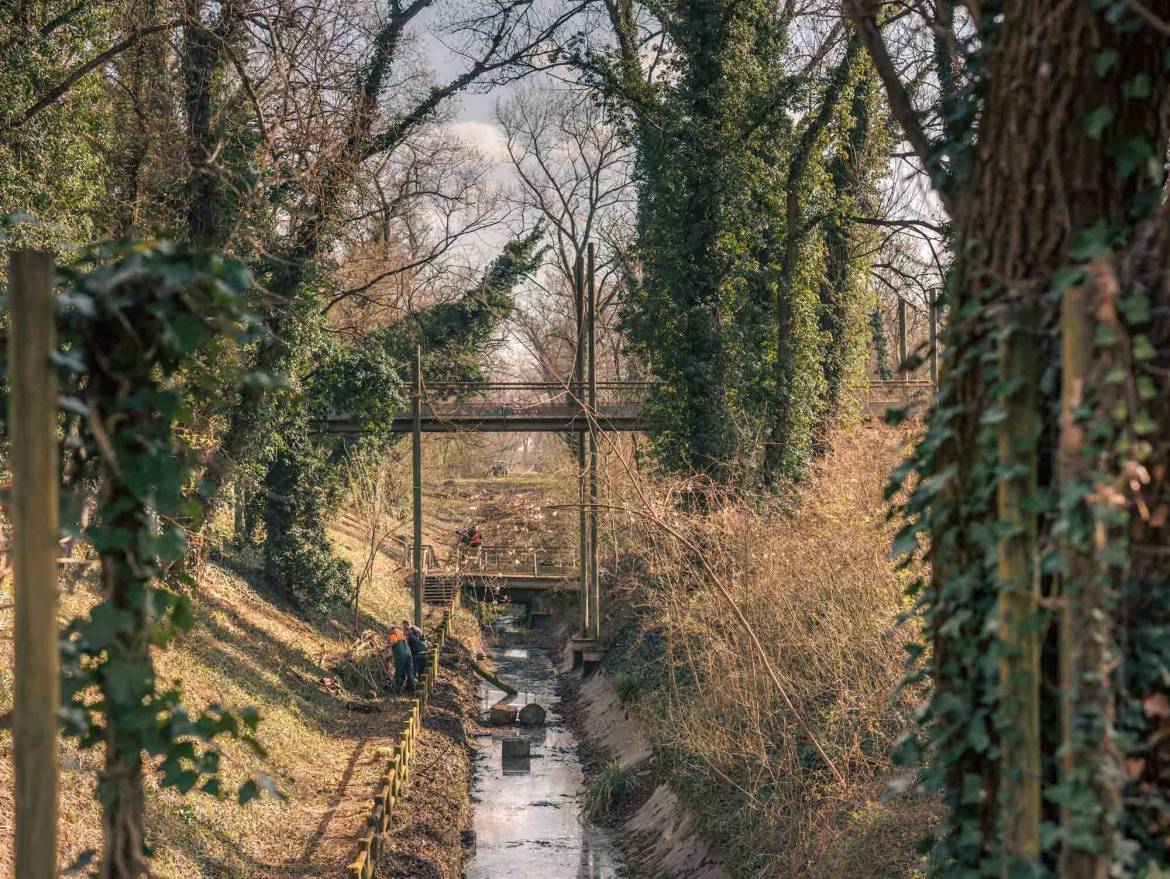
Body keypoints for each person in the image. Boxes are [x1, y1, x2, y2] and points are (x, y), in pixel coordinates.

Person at [387, 625, 414, 693]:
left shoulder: (393, 635)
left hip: (401, 656)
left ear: (392, 630)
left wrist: (387, 646)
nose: (388, 632)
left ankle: (398, 689)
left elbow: (393, 642)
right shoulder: (401, 634)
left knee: (399, 672)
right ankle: (411, 689)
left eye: (388, 630)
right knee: (409, 671)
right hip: (409, 654)